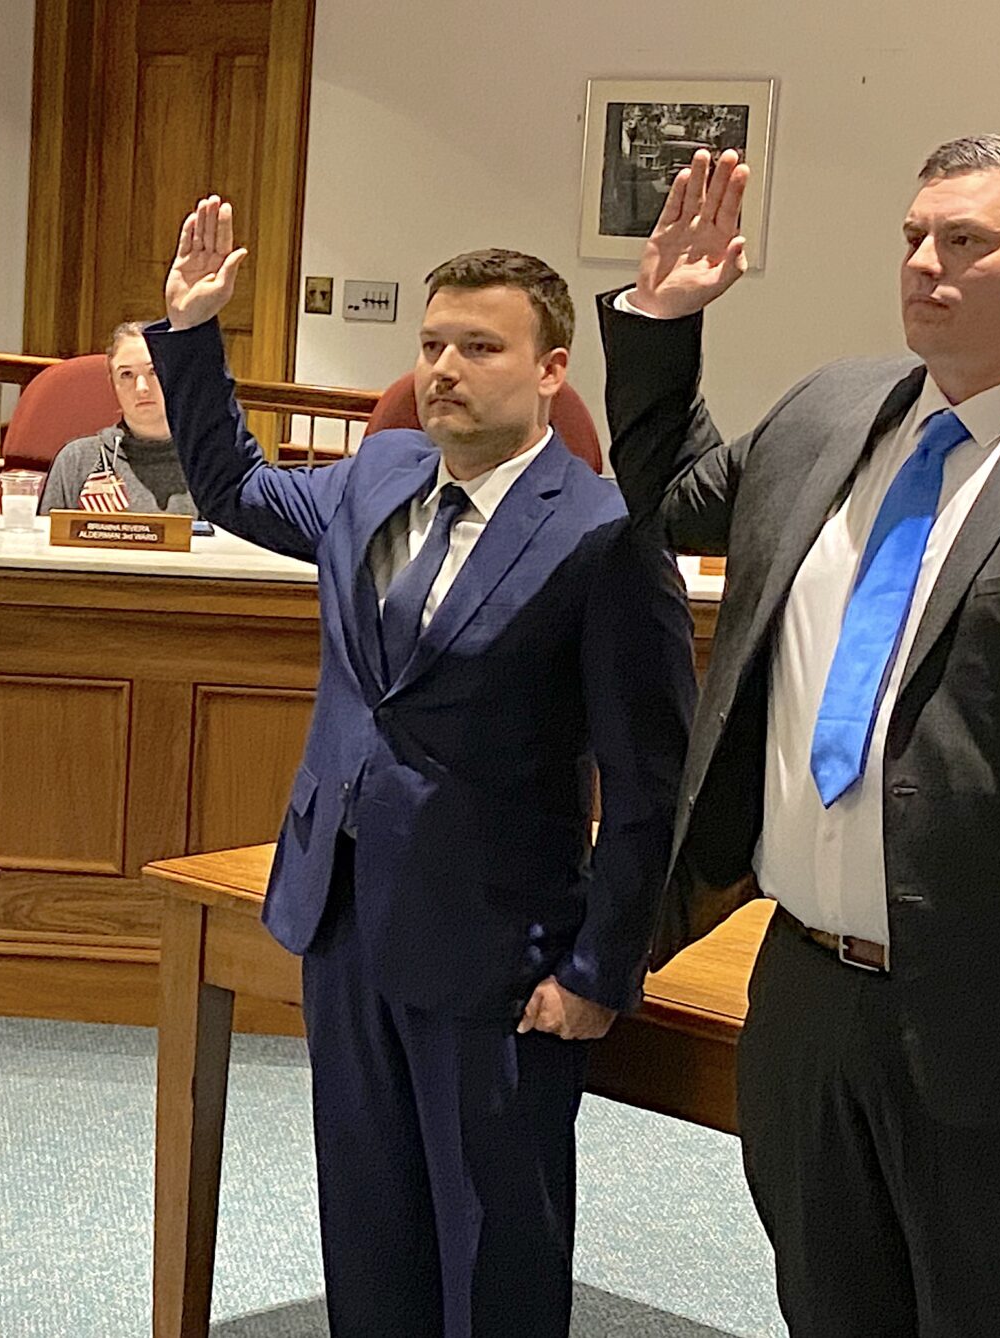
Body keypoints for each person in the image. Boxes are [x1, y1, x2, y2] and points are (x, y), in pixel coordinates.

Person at [600, 138, 1000, 1335]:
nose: (924, 264)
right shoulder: (831, 412)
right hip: (801, 993)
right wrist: (661, 323)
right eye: (912, 239)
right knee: (829, 1308)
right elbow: (667, 497)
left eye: (965, 242)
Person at [150, 198, 693, 1337]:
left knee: (493, 1242)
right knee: (369, 1217)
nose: (444, 369)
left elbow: (647, 782)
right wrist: (196, 337)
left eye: (479, 348)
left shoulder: (601, 533)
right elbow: (237, 488)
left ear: (550, 370)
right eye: (432, 345)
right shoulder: (379, 470)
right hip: (345, 913)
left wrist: (600, 968)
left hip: (499, 946)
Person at [40, 321, 197, 514]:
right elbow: (45, 541)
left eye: (153, 371)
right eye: (126, 374)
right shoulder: (76, 460)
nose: (141, 387)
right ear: (112, 383)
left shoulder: (206, 463)